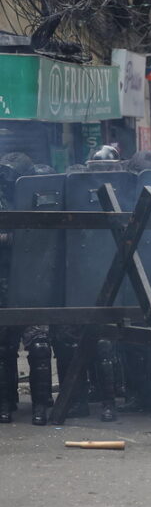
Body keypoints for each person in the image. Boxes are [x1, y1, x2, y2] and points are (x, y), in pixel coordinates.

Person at [0, 152, 53, 425]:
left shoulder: (40, 196)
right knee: (3, 348)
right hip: (4, 281)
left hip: (33, 281)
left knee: (40, 346)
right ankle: (6, 402)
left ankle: (41, 406)